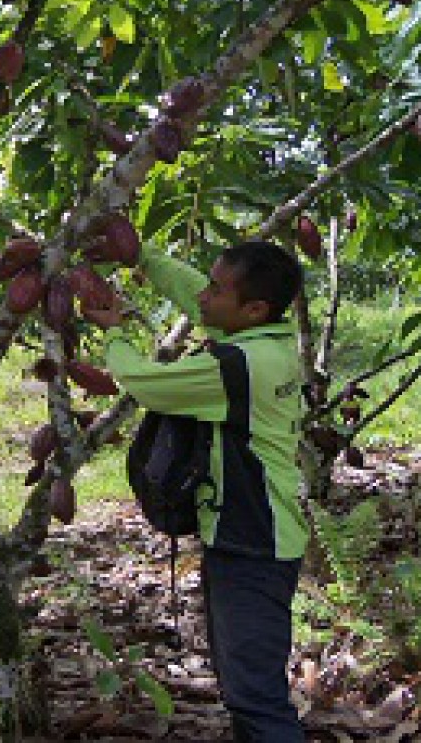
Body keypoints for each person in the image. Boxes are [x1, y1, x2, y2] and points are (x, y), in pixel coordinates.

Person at [105, 240, 308, 743]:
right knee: (243, 687)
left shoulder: (239, 367)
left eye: (217, 288)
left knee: (255, 697)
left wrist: (112, 332)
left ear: (253, 308)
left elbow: (145, 384)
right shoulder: (266, 337)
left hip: (254, 542)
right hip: (249, 534)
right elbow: (196, 292)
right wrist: (143, 259)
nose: (203, 296)